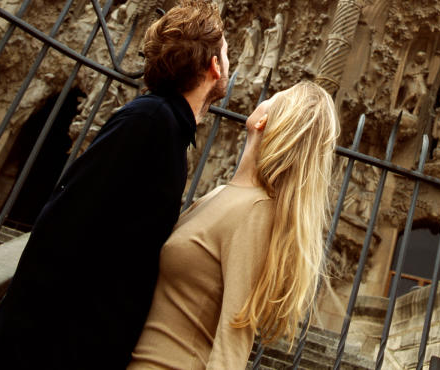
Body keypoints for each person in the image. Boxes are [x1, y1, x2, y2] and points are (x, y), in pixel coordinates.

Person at [0, 0, 229, 370]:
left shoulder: (166, 128)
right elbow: (63, 226)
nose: (230, 65)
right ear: (213, 66)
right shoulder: (149, 122)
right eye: (227, 55)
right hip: (53, 350)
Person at [128, 79, 339, 370]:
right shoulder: (221, 195)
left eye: (275, 95)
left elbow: (234, 341)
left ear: (264, 120)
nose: (264, 96)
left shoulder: (256, 211)